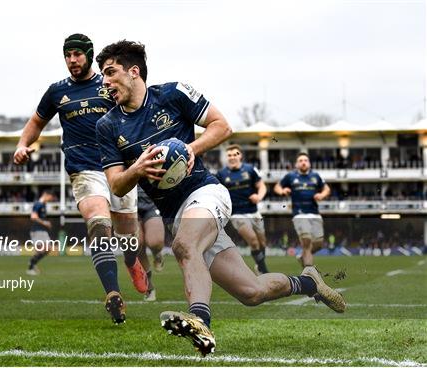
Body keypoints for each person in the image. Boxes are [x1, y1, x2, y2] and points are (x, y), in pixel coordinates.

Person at [95, 40, 346, 356]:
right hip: (177, 214)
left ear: (134, 72)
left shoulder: (173, 94)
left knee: (185, 246)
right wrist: (138, 167)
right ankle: (310, 283)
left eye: (109, 72)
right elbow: (116, 185)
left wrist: (190, 148)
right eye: (103, 75)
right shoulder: (106, 126)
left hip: (206, 193)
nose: (104, 81)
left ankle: (201, 325)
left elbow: (222, 126)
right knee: (251, 291)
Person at [13, 33, 147, 324]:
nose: (72, 60)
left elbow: (134, 108)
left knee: (127, 234)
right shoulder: (56, 92)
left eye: (77, 54)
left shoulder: (109, 83)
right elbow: (36, 122)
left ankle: (130, 258)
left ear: (89, 55)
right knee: (99, 223)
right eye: (67, 55)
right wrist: (23, 144)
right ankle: (113, 294)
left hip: (119, 167)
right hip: (83, 169)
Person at [216, 144, 270, 274]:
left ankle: (259, 264)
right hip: (237, 214)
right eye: (229, 155)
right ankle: (264, 270)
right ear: (226, 157)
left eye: (235, 154)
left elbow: (262, 186)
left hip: (254, 211)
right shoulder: (221, 174)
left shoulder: (250, 169)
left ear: (240, 156)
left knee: (262, 242)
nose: (232, 157)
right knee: (253, 240)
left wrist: (259, 196)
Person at [274, 152, 331, 268]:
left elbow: (326, 188)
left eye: (305, 160)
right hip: (299, 213)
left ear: (309, 163)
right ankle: (309, 272)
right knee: (307, 240)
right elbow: (277, 186)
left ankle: (302, 256)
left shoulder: (316, 176)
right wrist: (282, 191)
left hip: (315, 213)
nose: (303, 162)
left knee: (319, 243)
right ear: (296, 164)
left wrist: (322, 195)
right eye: (300, 160)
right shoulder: (291, 176)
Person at [136, 185, 165, 301]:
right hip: (127, 204)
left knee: (155, 242)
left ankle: (157, 254)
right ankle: (149, 288)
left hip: (151, 201)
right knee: (136, 245)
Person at [27, 189, 56, 275]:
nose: (50, 200)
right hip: (37, 230)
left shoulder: (43, 205)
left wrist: (47, 224)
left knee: (47, 249)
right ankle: (31, 267)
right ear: (46, 194)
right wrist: (45, 223)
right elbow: (33, 217)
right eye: (50, 198)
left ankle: (32, 264)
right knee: (44, 249)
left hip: (42, 231)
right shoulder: (38, 204)